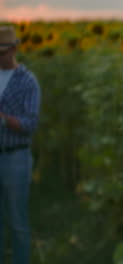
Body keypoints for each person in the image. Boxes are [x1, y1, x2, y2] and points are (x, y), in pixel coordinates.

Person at [0, 25, 41, 264]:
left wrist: (4, 120)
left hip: (16, 157)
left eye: (2, 52)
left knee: (17, 222)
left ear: (14, 48)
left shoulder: (27, 81)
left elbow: (30, 124)